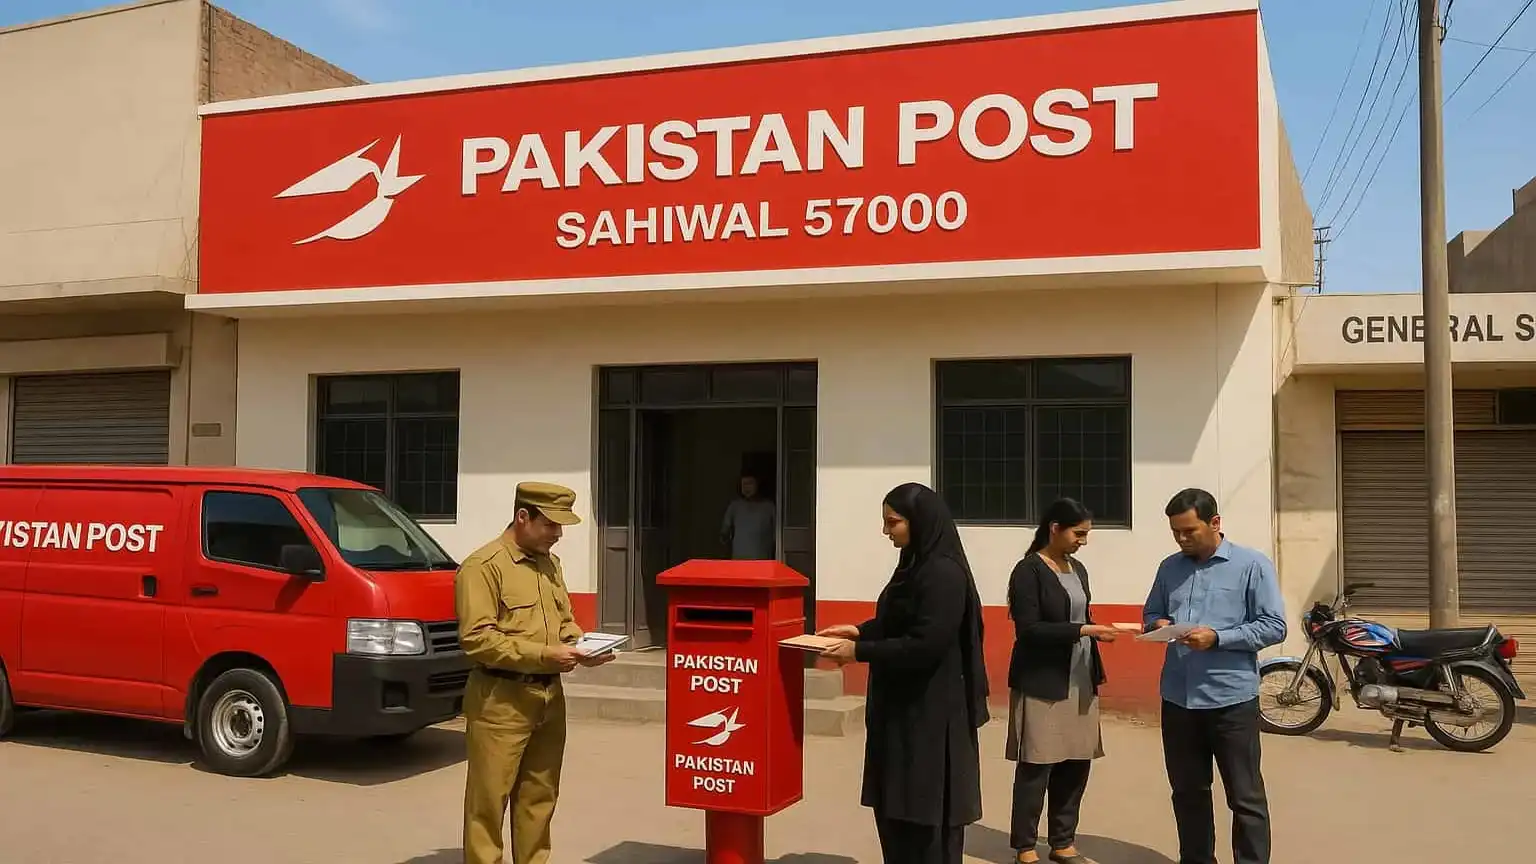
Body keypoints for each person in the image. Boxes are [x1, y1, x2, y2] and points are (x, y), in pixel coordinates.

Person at [815, 482, 989, 864]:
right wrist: (860, 630)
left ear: (920, 521)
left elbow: (926, 643)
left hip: (930, 717)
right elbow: (900, 620)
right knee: (898, 813)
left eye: (892, 523)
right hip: (903, 713)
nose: (886, 531)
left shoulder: (943, 573)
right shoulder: (914, 566)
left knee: (925, 820)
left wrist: (858, 652)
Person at [455, 481, 616, 864]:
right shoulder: (483, 567)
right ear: (522, 516)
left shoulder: (549, 564)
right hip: (500, 701)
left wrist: (581, 644)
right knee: (488, 804)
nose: (558, 535)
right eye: (551, 525)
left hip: (548, 699)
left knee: (539, 798)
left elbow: (563, 621)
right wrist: (546, 655)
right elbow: (477, 639)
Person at [1142, 489, 1286, 864]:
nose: (1182, 539)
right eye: (1176, 532)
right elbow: (1152, 612)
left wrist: (1219, 637)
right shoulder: (1169, 568)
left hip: (1231, 701)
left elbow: (1274, 626)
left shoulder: (1252, 565)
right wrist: (1159, 624)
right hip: (1178, 698)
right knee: (1188, 792)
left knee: (1245, 797)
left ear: (1215, 523)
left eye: (1189, 530)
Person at [1005, 498, 1121, 864]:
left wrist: (1092, 632)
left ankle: (1062, 842)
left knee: (1075, 764)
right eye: (1078, 533)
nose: (1082, 541)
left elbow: (1080, 613)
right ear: (1054, 528)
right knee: (1037, 766)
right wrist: (1084, 629)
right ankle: (1025, 846)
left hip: (1081, 681)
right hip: (1043, 682)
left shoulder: (1078, 569)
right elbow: (1029, 630)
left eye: (1086, 535)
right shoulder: (1028, 571)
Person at [720, 472, 776, 560]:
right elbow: (725, 533)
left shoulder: (769, 507)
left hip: (762, 560)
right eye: (744, 484)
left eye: (750, 483)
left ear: (758, 484)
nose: (746, 487)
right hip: (739, 561)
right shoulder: (734, 507)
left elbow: (776, 537)